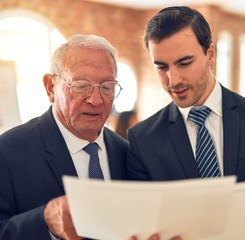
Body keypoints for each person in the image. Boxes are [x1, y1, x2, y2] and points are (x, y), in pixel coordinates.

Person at [126, 6, 245, 239]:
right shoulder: (142, 140)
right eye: (162, 67)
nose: (173, 80)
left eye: (184, 63)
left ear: (211, 54)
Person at [0, 34, 166, 240]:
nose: (96, 100)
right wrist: (44, 222)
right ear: (51, 87)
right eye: (81, 85)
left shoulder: (128, 153)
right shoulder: (8, 152)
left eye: (107, 87)